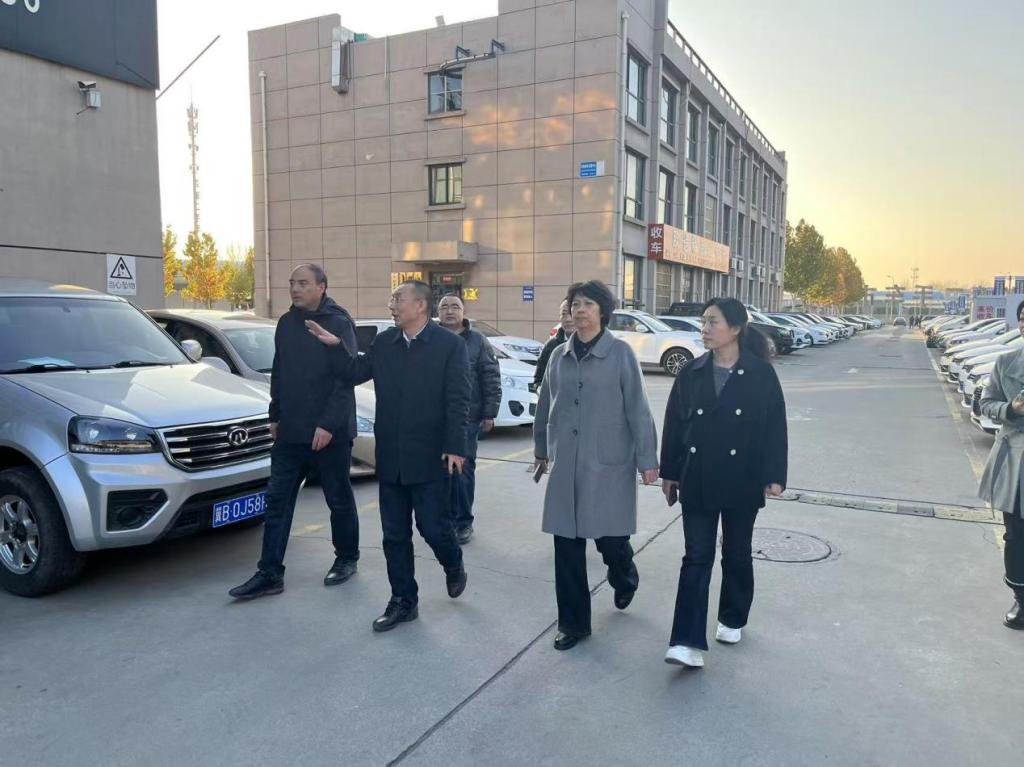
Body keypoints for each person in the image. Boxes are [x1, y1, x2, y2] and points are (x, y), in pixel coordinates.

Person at [306, 280, 471, 632]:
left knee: (433, 527)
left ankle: (452, 561)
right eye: (392, 299)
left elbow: (459, 399)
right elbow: (354, 372)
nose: (392, 305)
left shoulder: (449, 346)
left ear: (421, 306)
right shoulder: (385, 343)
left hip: (430, 456)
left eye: (398, 299)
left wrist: (457, 446)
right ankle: (403, 601)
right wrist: (336, 346)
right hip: (392, 456)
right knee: (394, 535)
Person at [532, 280, 660, 651]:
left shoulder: (620, 354)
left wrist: (648, 459)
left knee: (611, 540)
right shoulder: (559, 355)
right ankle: (573, 624)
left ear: (603, 311)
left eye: (588, 304)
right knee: (566, 547)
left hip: (608, 465)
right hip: (566, 465)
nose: (580, 310)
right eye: (575, 304)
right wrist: (541, 450)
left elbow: (638, 408)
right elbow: (546, 405)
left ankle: (624, 574)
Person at [660, 297, 788, 668]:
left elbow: (774, 426)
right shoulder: (692, 371)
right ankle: (685, 641)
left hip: (742, 478)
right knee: (696, 556)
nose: (704, 329)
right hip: (698, 477)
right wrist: (670, 471)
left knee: (736, 552)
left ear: (735, 328)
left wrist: (774, 475)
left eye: (712, 322)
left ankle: (732, 617)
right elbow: (674, 424)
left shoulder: (760, 374)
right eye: (703, 322)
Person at [229, 264, 361, 600]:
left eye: (303, 283)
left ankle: (347, 557)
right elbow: (280, 371)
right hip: (290, 431)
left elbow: (345, 379)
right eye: (292, 283)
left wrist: (328, 424)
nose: (295, 289)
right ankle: (270, 573)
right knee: (277, 500)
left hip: (329, 433)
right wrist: (275, 414)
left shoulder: (339, 322)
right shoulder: (287, 323)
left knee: (338, 498)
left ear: (322, 287)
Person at [437, 293, 502, 544]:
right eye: (444, 307)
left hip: (467, 416)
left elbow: (490, 376)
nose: (449, 311)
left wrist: (489, 412)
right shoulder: (431, 338)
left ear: (464, 312)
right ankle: (444, 520)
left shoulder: (477, 341)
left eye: (455, 306)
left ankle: (463, 522)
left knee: (462, 470)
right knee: (439, 472)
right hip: (435, 417)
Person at [978, 298, 1024, 630]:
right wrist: (1011, 409)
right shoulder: (1007, 362)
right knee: (1017, 535)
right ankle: (1021, 598)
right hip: (1017, 462)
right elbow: (986, 403)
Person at [533, 297, 576, 390]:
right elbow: (538, 380)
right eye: (564, 314)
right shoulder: (551, 346)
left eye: (571, 313)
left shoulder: (591, 345)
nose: (568, 319)